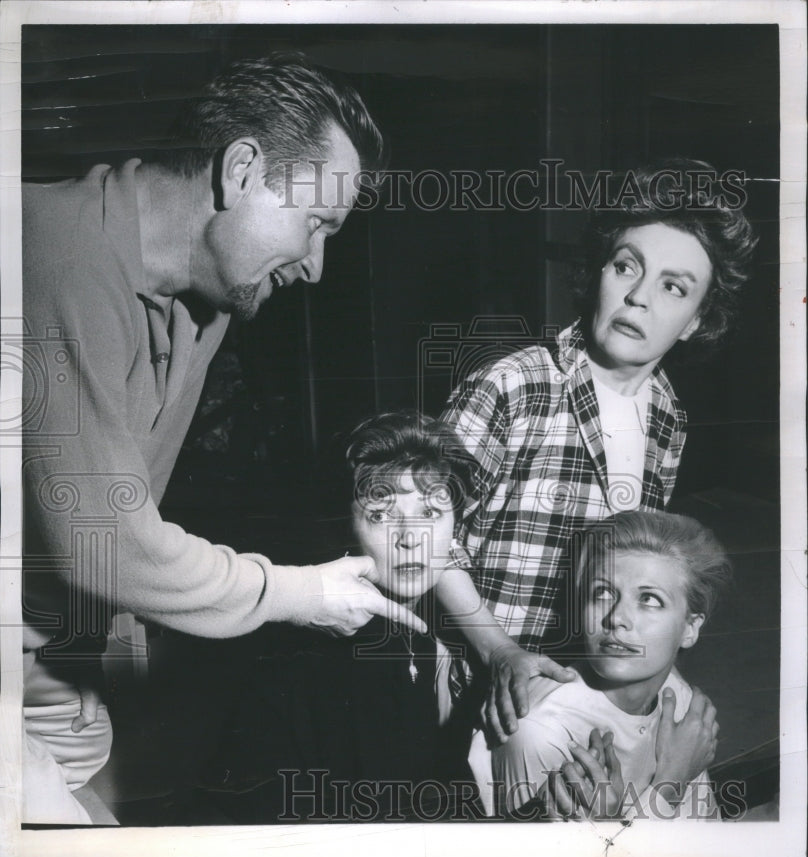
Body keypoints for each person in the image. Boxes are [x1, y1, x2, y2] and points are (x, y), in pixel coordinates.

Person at [21, 52, 426, 824]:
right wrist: (295, 592)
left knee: (106, 797)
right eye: (316, 224)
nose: (315, 266)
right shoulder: (57, 254)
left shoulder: (208, 295)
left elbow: (116, 500)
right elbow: (103, 540)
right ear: (241, 170)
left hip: (51, 641)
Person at [440, 159, 756, 742]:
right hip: (480, 674)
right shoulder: (512, 384)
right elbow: (422, 540)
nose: (638, 297)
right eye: (626, 266)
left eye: (673, 286)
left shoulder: (668, 419)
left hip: (586, 674)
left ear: (695, 321)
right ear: (599, 274)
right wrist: (499, 651)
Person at [264, 412, 487, 821]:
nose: (409, 538)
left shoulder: (415, 639)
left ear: (456, 526)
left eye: (431, 513)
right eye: (381, 515)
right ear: (346, 527)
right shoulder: (340, 659)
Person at [471, 510, 731, 820]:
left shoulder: (679, 699)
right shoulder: (539, 731)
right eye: (603, 593)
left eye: (649, 599)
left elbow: (703, 840)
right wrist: (671, 782)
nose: (616, 618)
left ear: (690, 628)